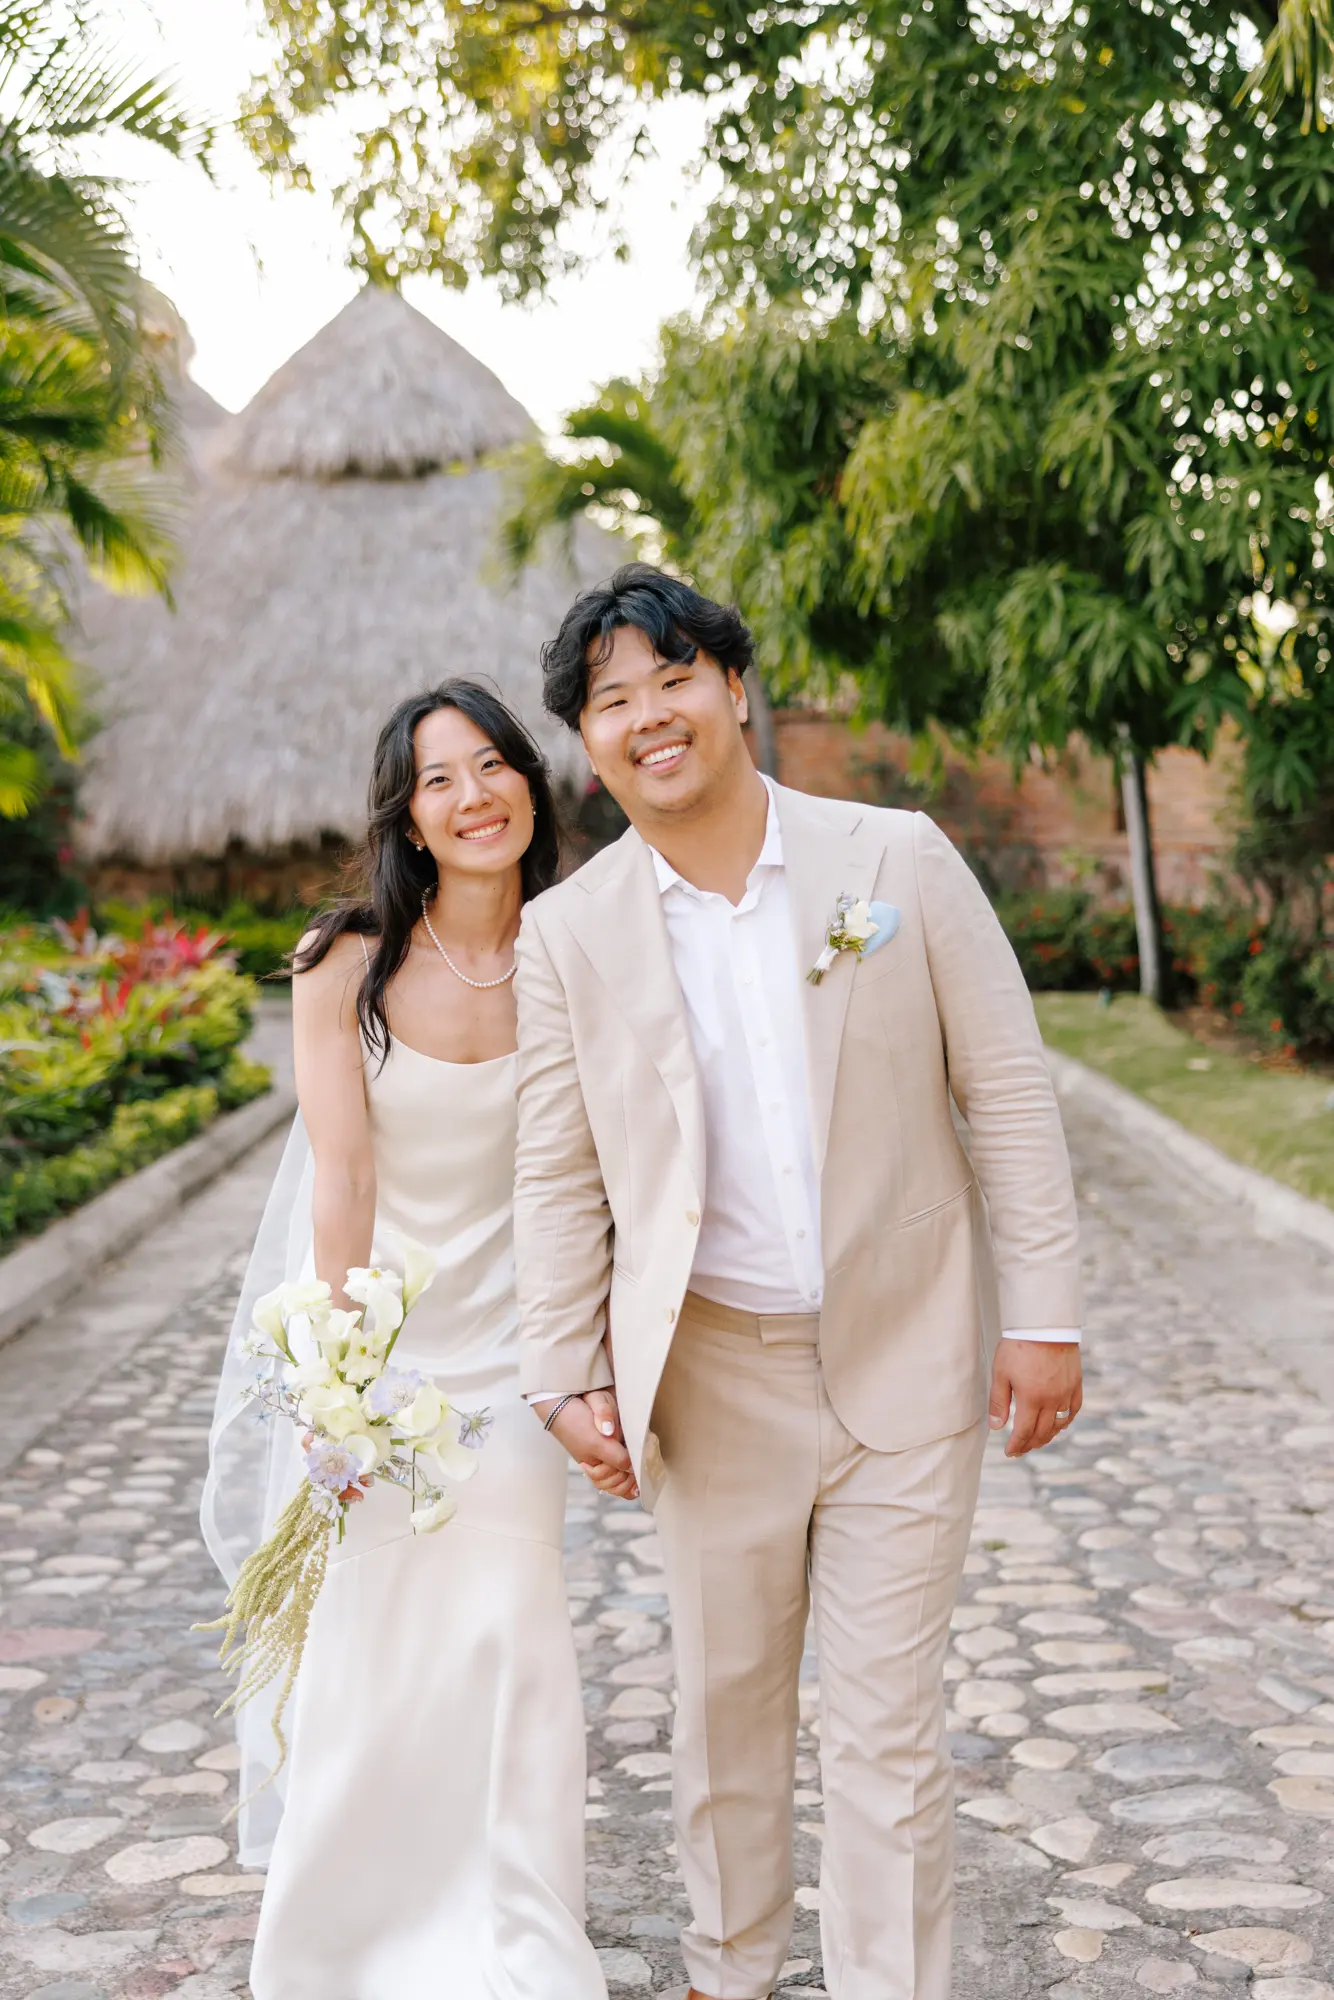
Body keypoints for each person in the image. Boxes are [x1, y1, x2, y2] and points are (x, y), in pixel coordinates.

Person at [514, 565, 1084, 2000]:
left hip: (902, 1357)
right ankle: (731, 1970)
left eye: (671, 680)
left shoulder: (892, 860)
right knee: (725, 1715)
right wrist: (562, 1366)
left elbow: (1006, 1090)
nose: (648, 717)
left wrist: (1042, 1319)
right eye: (610, 702)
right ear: (589, 745)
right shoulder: (569, 933)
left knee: (887, 1732)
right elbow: (557, 1170)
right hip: (708, 1380)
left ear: (733, 688)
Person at [201, 681, 617, 2000]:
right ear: (409, 815)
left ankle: (513, 1926)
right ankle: (348, 1934)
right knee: (379, 1640)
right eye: (440, 778)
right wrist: (344, 1383)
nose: (474, 793)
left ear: (529, 792)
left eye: (494, 766)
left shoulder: (579, 951)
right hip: (391, 1363)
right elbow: (344, 1182)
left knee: (512, 1631)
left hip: (525, 1365)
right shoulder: (347, 962)